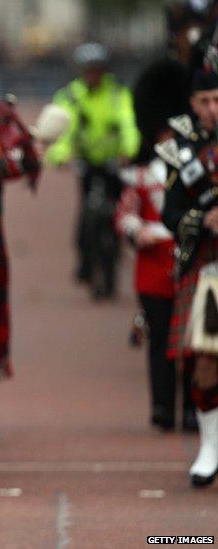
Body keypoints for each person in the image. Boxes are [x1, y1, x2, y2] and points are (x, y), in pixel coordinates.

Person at [117, 57, 195, 432]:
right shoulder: (144, 174)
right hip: (153, 265)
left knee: (194, 342)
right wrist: (136, 231)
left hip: (191, 260)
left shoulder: (198, 168)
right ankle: (163, 405)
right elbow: (125, 213)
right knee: (160, 339)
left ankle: (195, 408)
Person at [160, 58, 218, 488]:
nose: (212, 108)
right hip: (208, 269)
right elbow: (170, 213)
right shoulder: (182, 151)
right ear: (192, 105)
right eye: (204, 101)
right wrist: (202, 219)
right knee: (204, 364)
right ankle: (210, 448)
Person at [47, 42, 140, 298]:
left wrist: (129, 151)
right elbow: (64, 128)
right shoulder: (72, 96)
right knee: (86, 211)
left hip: (114, 161)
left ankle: (116, 254)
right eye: (88, 70)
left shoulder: (117, 94)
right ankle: (85, 261)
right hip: (86, 161)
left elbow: (128, 124)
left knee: (117, 211)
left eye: (97, 70)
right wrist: (60, 154)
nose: (93, 75)